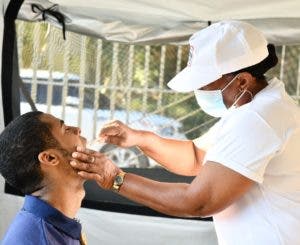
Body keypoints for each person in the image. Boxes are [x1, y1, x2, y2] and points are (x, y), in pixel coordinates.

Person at [70, 20, 300, 244]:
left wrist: (115, 179)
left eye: (204, 84)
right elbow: (196, 156)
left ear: (241, 81)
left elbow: (199, 202)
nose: (198, 90)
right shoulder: (255, 105)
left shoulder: (257, 119)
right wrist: (141, 139)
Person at [0, 111, 87, 244]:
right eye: (66, 129)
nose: (77, 130)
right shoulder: (42, 239)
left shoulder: (50, 227)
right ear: (50, 158)